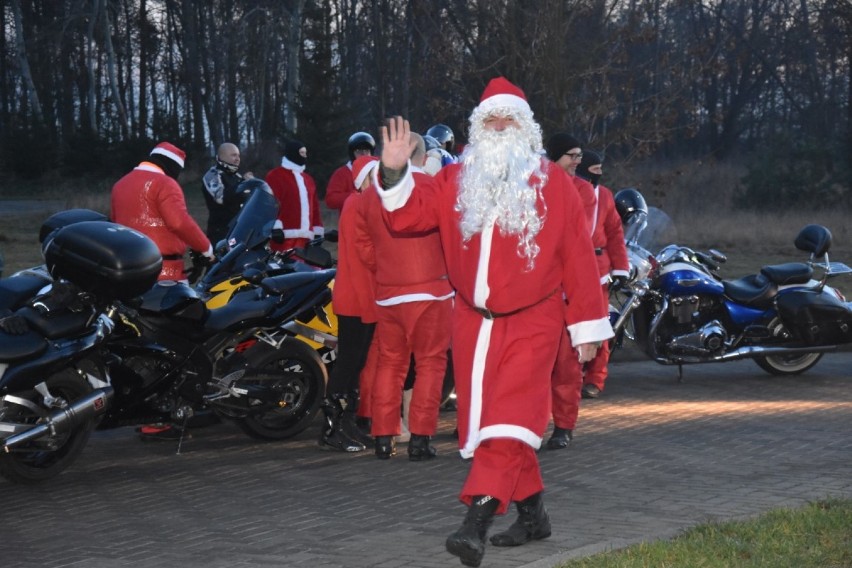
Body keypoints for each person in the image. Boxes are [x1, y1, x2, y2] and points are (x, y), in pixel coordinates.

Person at [375, 78, 612, 567]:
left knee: (510, 423)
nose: (499, 127)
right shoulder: (456, 180)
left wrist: (586, 328)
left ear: (526, 129)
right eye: (490, 120)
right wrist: (394, 171)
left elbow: (579, 261)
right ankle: (533, 516)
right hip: (471, 323)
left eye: (509, 120)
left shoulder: (555, 184)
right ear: (477, 128)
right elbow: (407, 217)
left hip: (535, 320)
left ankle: (474, 525)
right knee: (489, 425)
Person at [357, 133, 453, 461]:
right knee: (430, 363)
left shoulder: (372, 195)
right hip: (431, 290)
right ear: (425, 159)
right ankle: (420, 438)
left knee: (390, 363)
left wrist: (386, 269)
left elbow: (365, 246)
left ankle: (384, 437)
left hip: (388, 292)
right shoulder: (433, 188)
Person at [318, 155, 382, 452]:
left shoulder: (363, 203)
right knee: (348, 363)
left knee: (355, 363)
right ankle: (332, 428)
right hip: (356, 295)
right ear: (366, 178)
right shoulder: (358, 204)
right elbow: (367, 250)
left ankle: (345, 424)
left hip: (363, 294)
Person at [541, 133, 598, 449]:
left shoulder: (583, 192)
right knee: (533, 368)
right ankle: (529, 426)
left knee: (566, 365)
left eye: (579, 155)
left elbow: (579, 237)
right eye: (572, 155)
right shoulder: (534, 186)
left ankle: (563, 425)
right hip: (537, 293)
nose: (578, 161)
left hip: (566, 291)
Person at [111, 141, 213, 282]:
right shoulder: (166, 184)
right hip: (165, 271)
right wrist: (206, 247)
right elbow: (179, 223)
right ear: (173, 166)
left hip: (129, 270)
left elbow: (115, 224)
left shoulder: (120, 184)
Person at [574, 150, 630, 399]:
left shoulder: (605, 196)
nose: (599, 174)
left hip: (598, 269)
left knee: (599, 325)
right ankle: (569, 376)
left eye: (600, 170)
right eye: (594, 170)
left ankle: (595, 378)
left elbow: (616, 234)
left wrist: (621, 268)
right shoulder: (567, 190)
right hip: (571, 267)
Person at [265, 139, 324, 251]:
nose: (305, 156)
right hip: (284, 237)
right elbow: (270, 203)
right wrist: (275, 226)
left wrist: (317, 230)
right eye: (302, 153)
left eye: (306, 153)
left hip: (307, 240)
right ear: (293, 153)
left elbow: (315, 208)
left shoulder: (308, 180)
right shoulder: (275, 176)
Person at [201, 142, 254, 244]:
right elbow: (220, 198)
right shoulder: (212, 175)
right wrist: (244, 184)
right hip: (220, 233)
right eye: (233, 155)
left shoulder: (237, 176)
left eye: (238, 155)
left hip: (239, 230)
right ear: (222, 156)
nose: (237, 158)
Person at [324, 132, 376, 212]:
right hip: (351, 220)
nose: (363, 154)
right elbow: (331, 200)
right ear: (352, 153)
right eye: (359, 151)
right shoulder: (342, 174)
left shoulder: (378, 172)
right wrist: (356, 196)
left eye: (366, 150)